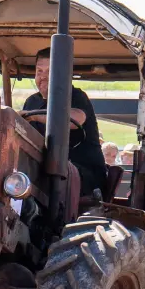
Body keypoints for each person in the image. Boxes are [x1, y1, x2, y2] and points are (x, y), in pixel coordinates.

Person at [20, 47, 109, 201]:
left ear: (63, 74)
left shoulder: (76, 96)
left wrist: (33, 116)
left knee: (52, 173)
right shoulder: (31, 102)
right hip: (45, 168)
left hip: (83, 173)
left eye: (49, 72)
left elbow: (75, 120)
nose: (43, 77)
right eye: (39, 71)